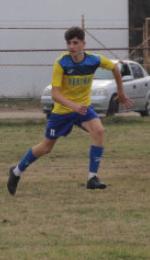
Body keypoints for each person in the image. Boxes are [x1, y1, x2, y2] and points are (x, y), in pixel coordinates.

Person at [7, 26, 133, 194]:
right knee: (46, 148)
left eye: (75, 43)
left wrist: (121, 93)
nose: (71, 46)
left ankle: (92, 178)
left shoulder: (94, 60)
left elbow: (115, 68)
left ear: (83, 44)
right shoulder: (62, 63)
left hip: (83, 109)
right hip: (62, 112)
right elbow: (55, 94)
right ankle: (16, 171)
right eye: (69, 43)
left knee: (99, 131)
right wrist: (73, 106)